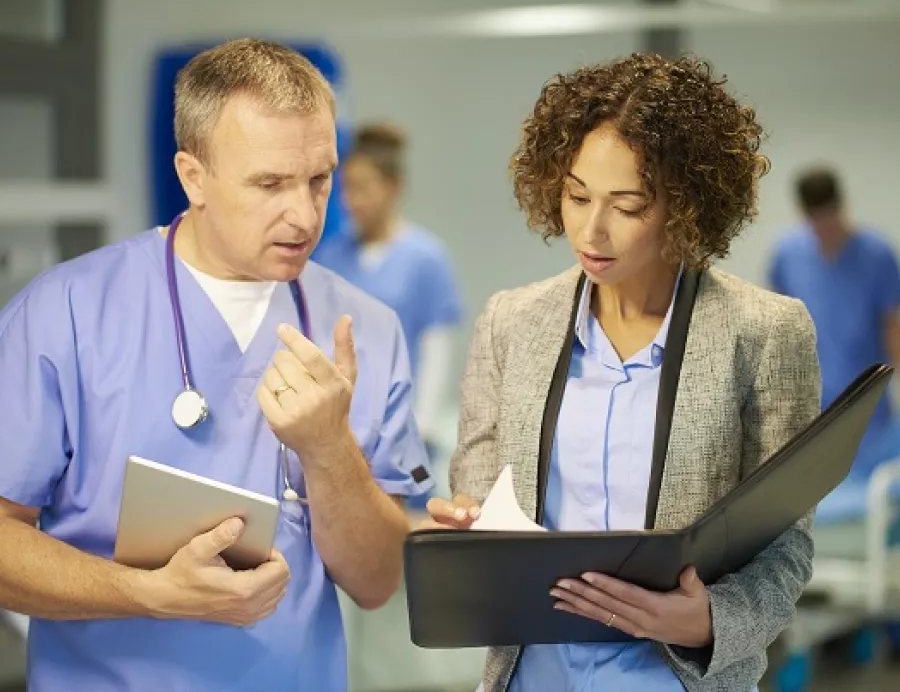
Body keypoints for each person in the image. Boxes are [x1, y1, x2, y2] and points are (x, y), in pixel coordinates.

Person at [0, 39, 433, 692]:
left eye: (321, 179)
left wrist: (327, 448)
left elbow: (376, 582)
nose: (306, 213)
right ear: (192, 176)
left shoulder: (364, 329)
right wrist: (148, 593)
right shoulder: (64, 313)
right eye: (270, 184)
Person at [423, 53, 821, 692]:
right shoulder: (510, 322)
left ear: (686, 204)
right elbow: (476, 485)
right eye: (577, 195)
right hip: (532, 674)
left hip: (675, 676)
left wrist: (711, 621)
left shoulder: (765, 332)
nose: (591, 229)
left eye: (628, 204)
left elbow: (786, 546)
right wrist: (468, 526)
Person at [312, 124, 464, 460]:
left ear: (394, 187)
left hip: (404, 425)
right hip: (345, 423)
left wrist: (423, 426)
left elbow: (436, 347)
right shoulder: (331, 255)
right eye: (347, 189)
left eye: (364, 189)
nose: (353, 201)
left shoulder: (426, 258)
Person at [769, 166, 900, 477]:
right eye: (816, 220)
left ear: (842, 206)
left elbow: (893, 327)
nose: (825, 228)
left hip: (868, 405)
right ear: (804, 215)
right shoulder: (788, 255)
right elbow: (778, 322)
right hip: (811, 405)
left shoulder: (877, 255)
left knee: (876, 497)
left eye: (830, 216)